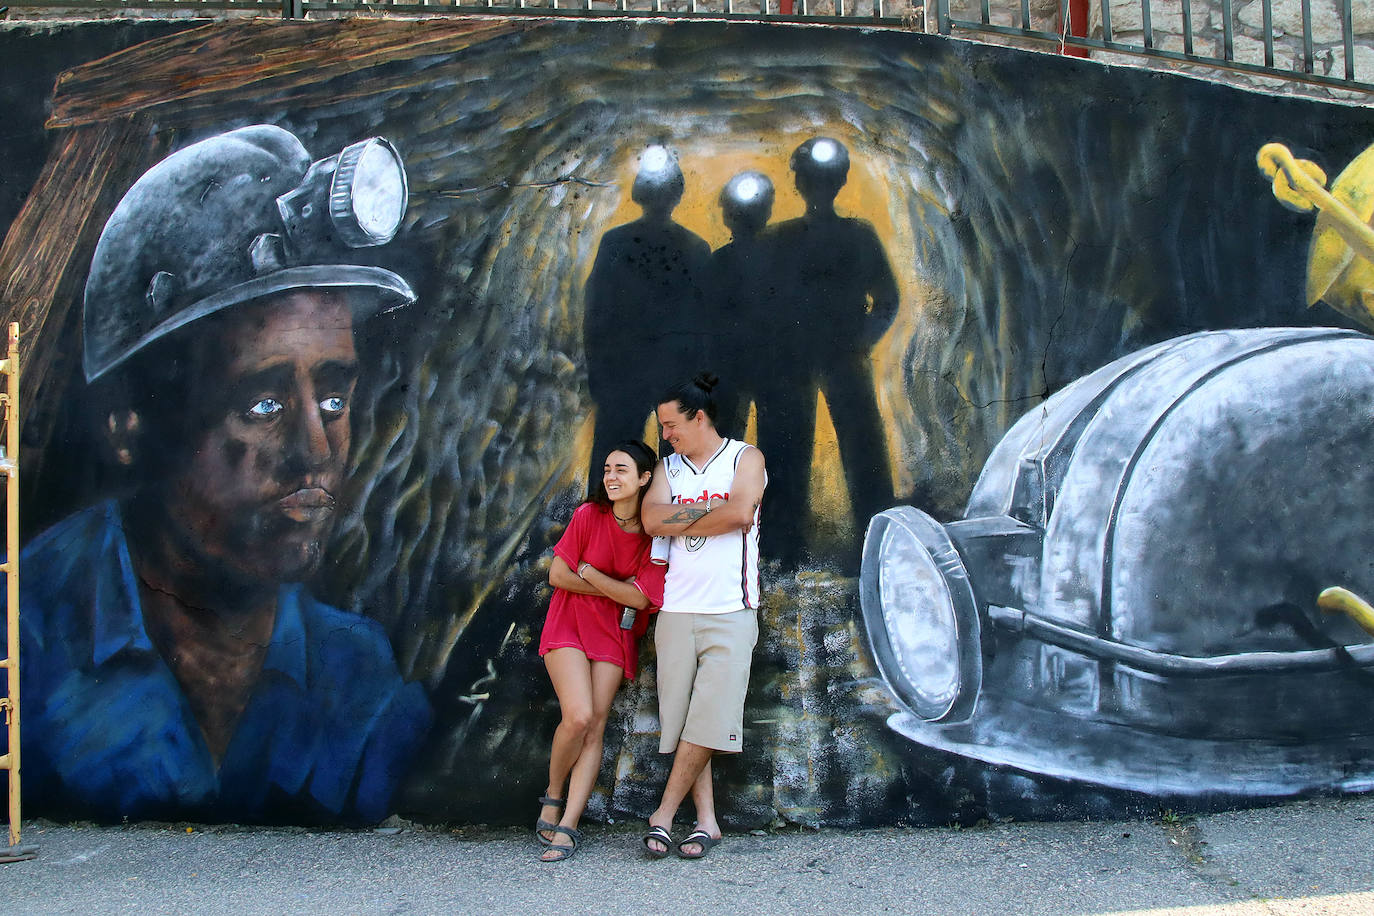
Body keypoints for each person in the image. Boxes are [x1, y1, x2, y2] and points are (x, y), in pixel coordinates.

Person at [19, 125, 431, 823]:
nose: (314, 447)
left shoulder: (361, 683)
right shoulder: (21, 639)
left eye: (334, 397)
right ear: (130, 423)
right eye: (262, 403)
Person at [640, 374, 767, 860]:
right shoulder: (667, 469)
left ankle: (663, 815)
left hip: (731, 610)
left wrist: (688, 515)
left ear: (699, 417)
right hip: (676, 611)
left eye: (671, 425)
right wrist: (711, 510)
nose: (666, 435)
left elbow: (739, 515)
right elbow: (652, 521)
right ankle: (707, 823)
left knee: (709, 717)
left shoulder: (744, 458)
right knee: (687, 720)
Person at [768, 137, 899, 562]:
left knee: (849, 452)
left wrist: (860, 341)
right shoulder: (852, 235)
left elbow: (886, 301)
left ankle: (788, 549)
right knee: (809, 451)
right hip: (812, 359)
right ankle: (871, 546)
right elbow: (886, 301)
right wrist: (860, 340)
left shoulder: (783, 239)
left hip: (821, 358)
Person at [535, 439, 666, 862]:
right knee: (578, 716)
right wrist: (614, 587)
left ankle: (569, 823)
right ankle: (553, 792)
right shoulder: (588, 515)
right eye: (607, 469)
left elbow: (642, 599)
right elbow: (558, 574)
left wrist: (588, 570)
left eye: (622, 470)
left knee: (597, 724)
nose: (610, 477)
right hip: (569, 622)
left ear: (645, 478)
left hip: (613, 633)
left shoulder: (652, 534)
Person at [583, 145, 712, 475]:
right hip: (675, 369)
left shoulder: (615, 242)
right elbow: (705, 321)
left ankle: (608, 523)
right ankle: (675, 525)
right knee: (679, 463)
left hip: (624, 368)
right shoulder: (695, 248)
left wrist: (597, 369)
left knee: (615, 458)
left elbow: (596, 310)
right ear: (677, 194)